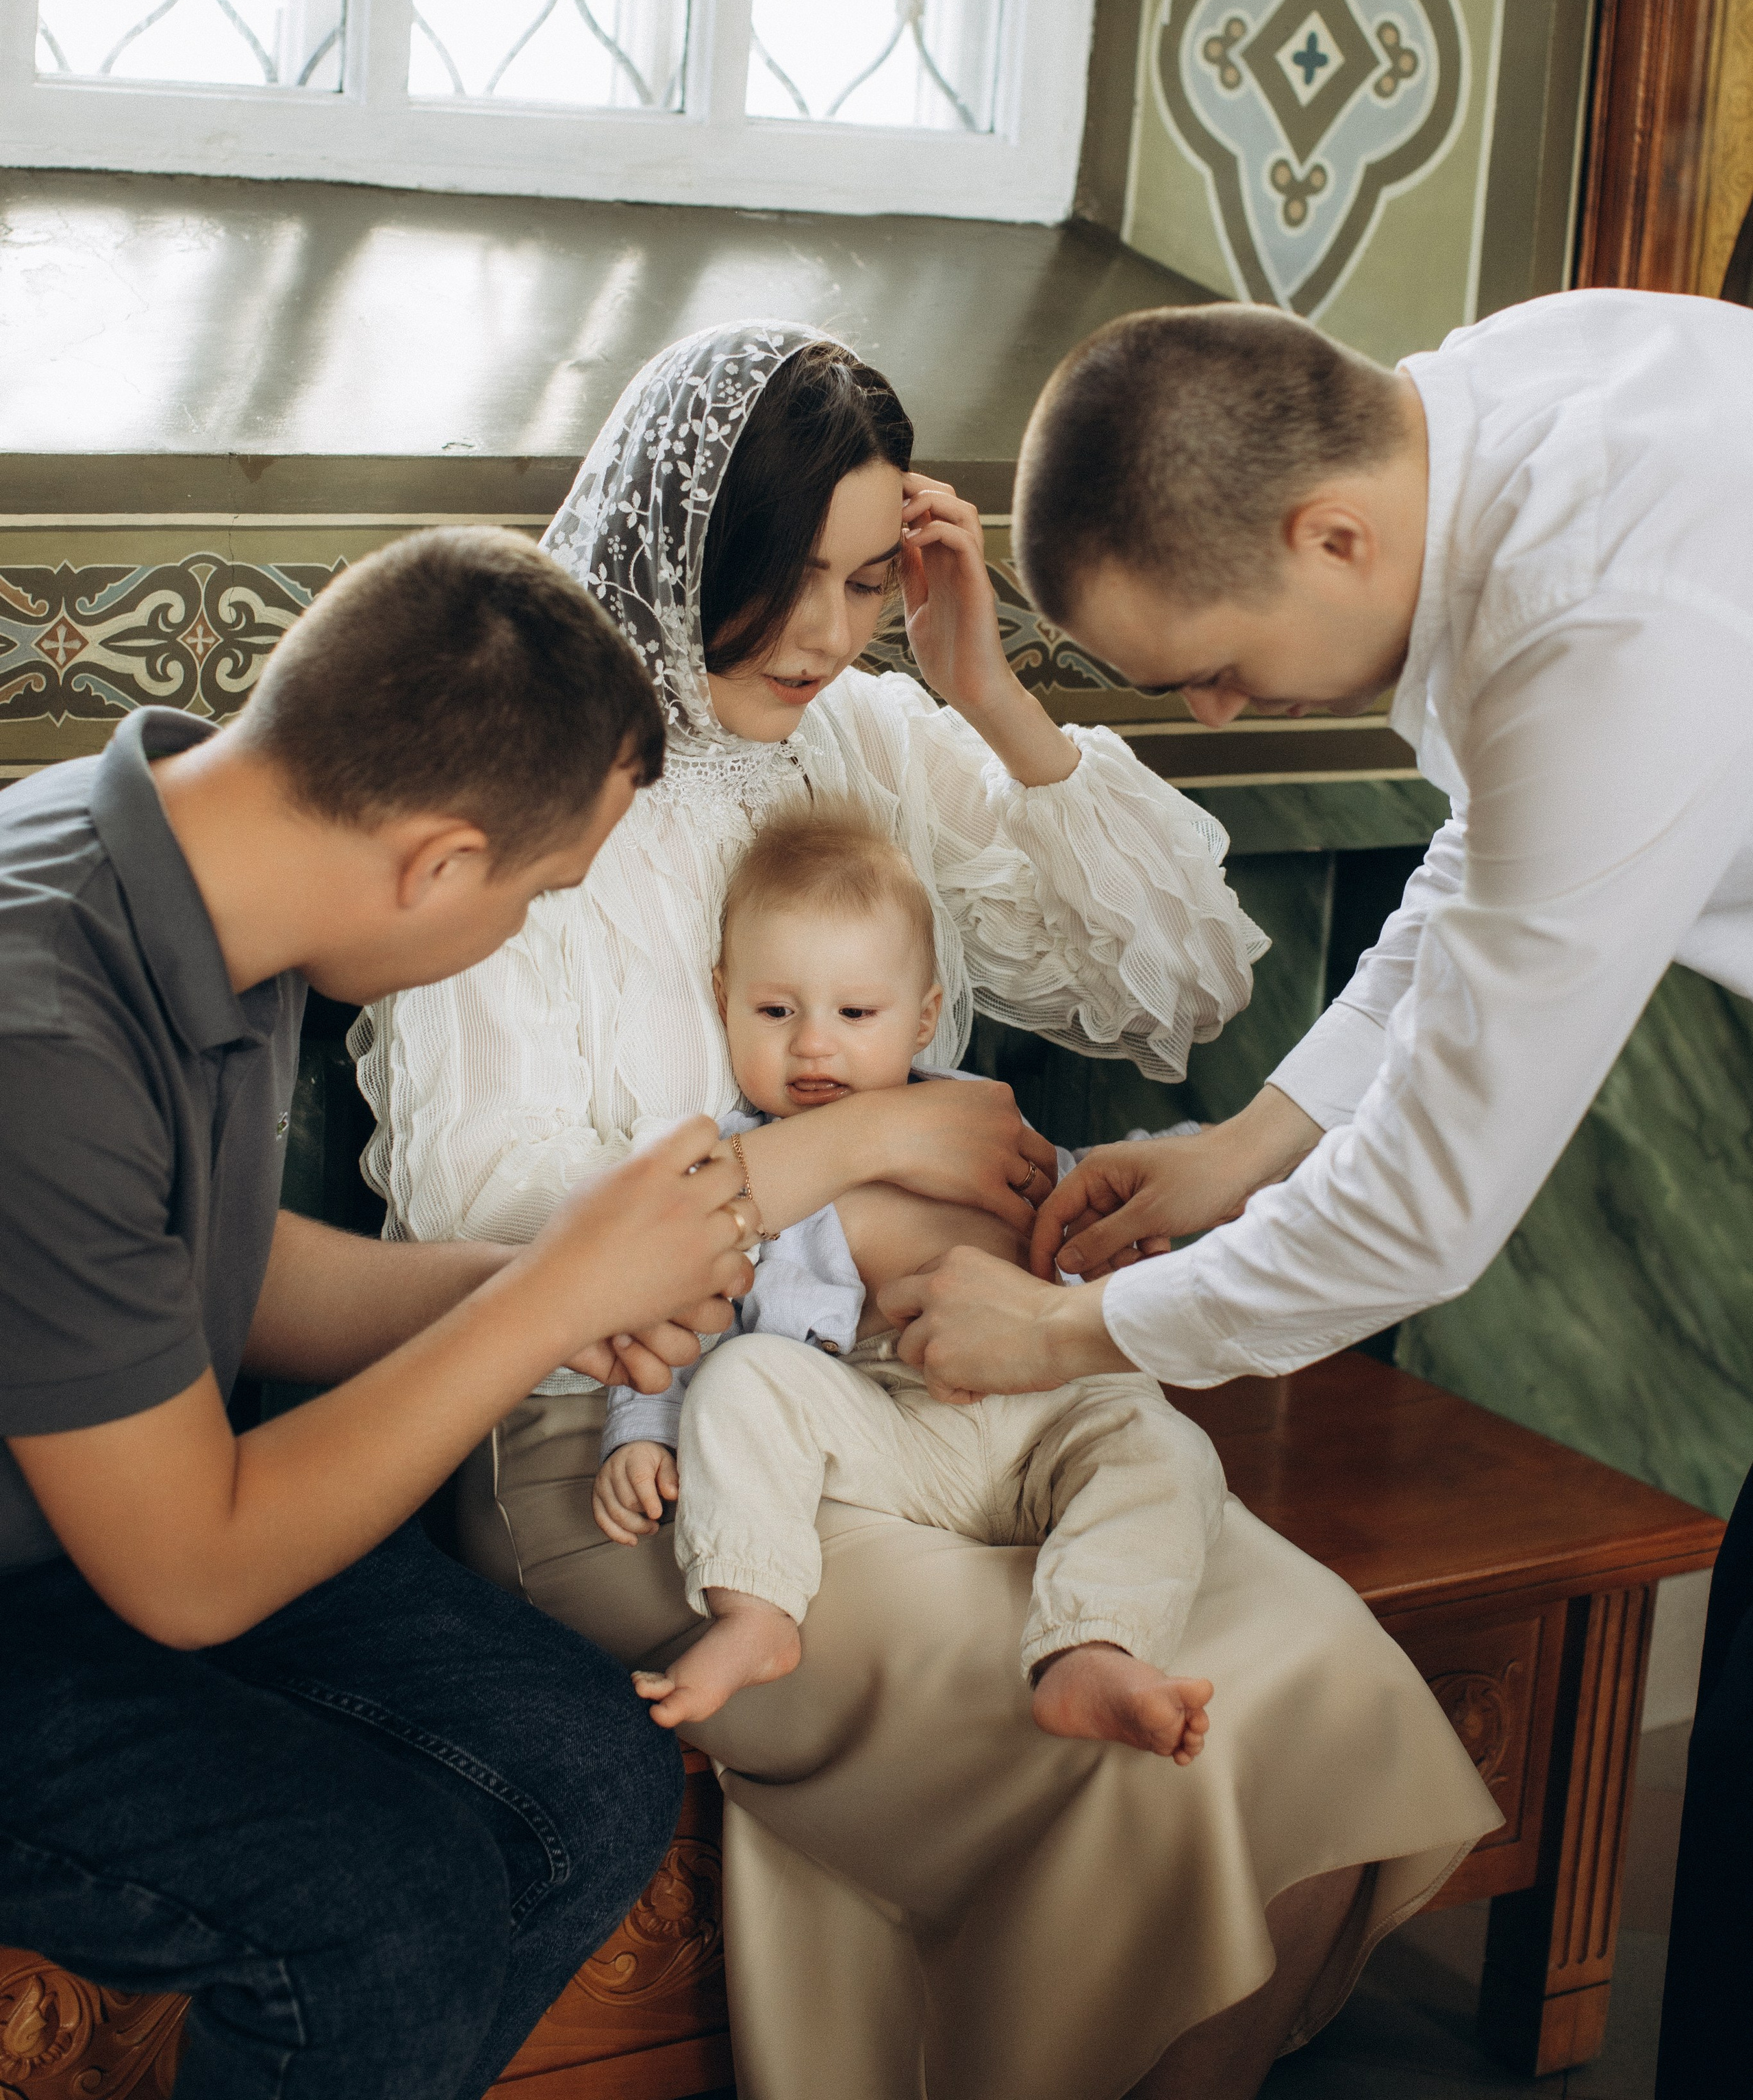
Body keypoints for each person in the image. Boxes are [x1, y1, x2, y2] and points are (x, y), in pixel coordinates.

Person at [356, 322, 1497, 2100]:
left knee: (1313, 1677)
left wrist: (984, 684)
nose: (825, 635)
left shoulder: (877, 736)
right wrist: (879, 1145)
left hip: (945, 1391)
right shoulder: (514, 774)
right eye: (785, 580)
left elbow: (1180, 980)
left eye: (866, 579)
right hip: (625, 1450)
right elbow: (498, 1247)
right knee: (1165, 1770)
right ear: (683, 546)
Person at [884, 290, 1753, 2099]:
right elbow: (1491, 863)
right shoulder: (1485, 400)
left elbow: (1429, 1218)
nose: (1209, 709)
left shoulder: (1608, 625)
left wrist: (1066, 1326)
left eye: (1207, 662)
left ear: (1330, 535)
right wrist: (1247, 1139)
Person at [0, 527, 756, 2100]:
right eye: (541, 892)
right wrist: (551, 1284)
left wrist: (535, 1303)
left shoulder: (224, 874)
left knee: (591, 1773)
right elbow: (190, 1573)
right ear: (438, 863)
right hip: (77, 1568)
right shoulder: (38, 1027)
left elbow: (211, 1270)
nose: (526, 926)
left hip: (89, 1509)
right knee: (376, 1897)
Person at [598, 798, 1226, 1760]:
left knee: (1166, 1447)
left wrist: (1206, 1185)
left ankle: (1093, 1645)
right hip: (882, 1422)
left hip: (1048, 1413)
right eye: (776, 1011)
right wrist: (639, 1431)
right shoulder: (739, 1168)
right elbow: (659, 1309)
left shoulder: (980, 1121)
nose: (815, 1044)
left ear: (925, 1015)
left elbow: (1091, 1192)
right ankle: (756, 1606)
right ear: (723, 998)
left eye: (856, 1014)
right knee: (746, 1378)